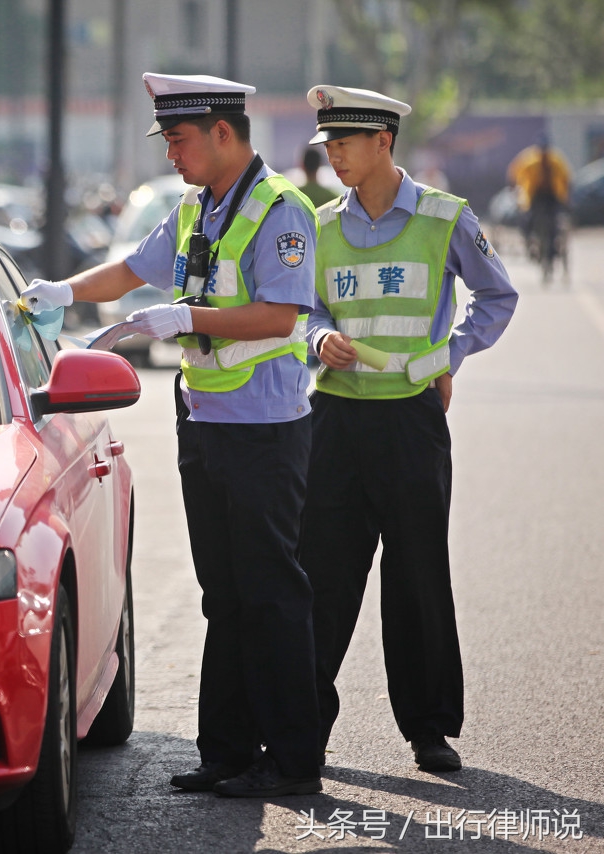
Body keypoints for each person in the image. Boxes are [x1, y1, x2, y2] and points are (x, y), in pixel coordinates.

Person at [22, 73, 322, 798]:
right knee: (222, 592)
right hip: (203, 419)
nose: (172, 156)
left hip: (263, 427)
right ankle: (225, 751)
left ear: (224, 133)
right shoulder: (197, 208)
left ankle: (292, 760)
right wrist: (62, 291)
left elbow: (282, 316)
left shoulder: (280, 210)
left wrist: (187, 319)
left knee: (270, 592)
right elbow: (132, 271)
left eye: (180, 140)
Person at [300, 85, 518, 773]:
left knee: (417, 569)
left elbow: (497, 294)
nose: (332, 154)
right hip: (334, 418)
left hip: (410, 418)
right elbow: (300, 310)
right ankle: (303, 724)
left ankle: (428, 727)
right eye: (327, 144)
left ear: (383, 142)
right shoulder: (318, 225)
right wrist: (319, 337)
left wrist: (448, 353)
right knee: (324, 572)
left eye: (344, 142)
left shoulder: (445, 217)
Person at [507, 135, 572, 268]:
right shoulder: (529, 160)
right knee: (526, 219)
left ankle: (554, 245)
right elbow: (514, 171)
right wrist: (514, 188)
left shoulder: (556, 160)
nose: (543, 153)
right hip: (534, 196)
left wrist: (566, 195)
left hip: (553, 195)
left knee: (557, 221)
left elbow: (566, 176)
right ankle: (530, 242)